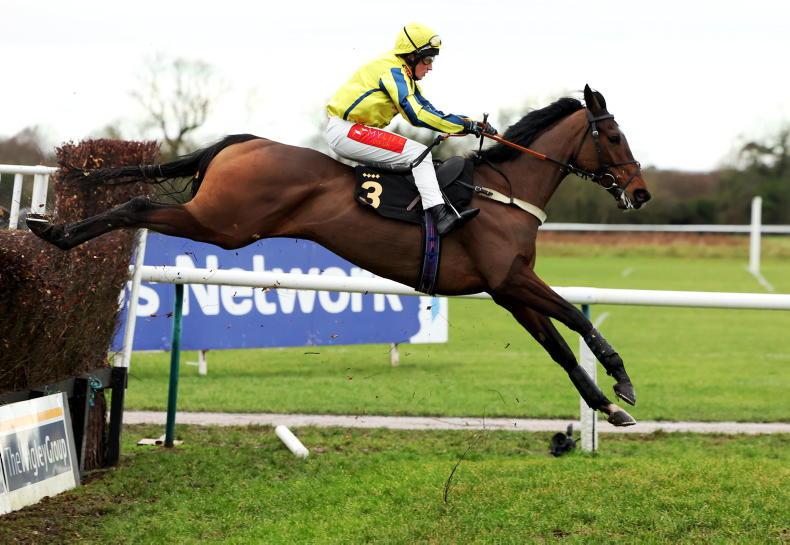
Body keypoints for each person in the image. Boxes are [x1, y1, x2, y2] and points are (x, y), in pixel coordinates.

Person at [326, 23, 496, 236]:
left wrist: (471, 123)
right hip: (347, 131)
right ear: (412, 56)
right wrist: (465, 126)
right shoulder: (393, 71)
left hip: (352, 131)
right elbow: (417, 115)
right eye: (428, 59)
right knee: (419, 154)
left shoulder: (403, 75)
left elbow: (429, 110)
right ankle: (440, 216)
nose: (430, 67)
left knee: (417, 161)